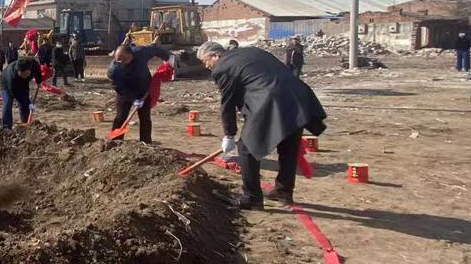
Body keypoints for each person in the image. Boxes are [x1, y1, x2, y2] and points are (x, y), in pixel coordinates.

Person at [197, 41, 328, 210]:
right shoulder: (251, 51)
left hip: (271, 100)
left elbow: (227, 104)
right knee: (288, 146)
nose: (207, 66)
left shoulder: (222, 67)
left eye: (206, 61)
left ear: (215, 55)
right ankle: (283, 192)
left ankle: (252, 198)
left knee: (246, 148)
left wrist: (229, 135)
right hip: (298, 96)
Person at [107, 39, 172, 143]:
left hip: (144, 90)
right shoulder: (113, 70)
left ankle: (146, 143)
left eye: (124, 60)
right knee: (120, 116)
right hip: (125, 93)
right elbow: (119, 88)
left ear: (131, 55)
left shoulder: (140, 53)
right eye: (118, 60)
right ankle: (115, 142)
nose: (121, 63)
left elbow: (155, 50)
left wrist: (168, 58)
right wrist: (133, 99)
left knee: (145, 118)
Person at [0, 55, 43, 128]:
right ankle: (7, 126)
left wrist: (39, 81)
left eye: (26, 74)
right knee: (7, 103)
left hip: (23, 84)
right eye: (22, 74)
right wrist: (29, 104)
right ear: (18, 71)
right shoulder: (12, 75)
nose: (24, 76)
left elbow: (38, 72)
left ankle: (25, 123)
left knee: (25, 103)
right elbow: (14, 94)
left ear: (29, 70)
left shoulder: (34, 65)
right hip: (6, 84)